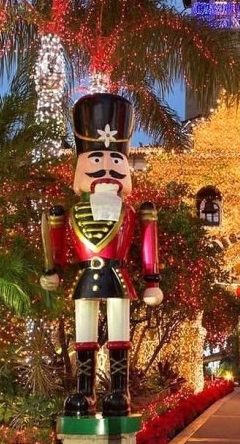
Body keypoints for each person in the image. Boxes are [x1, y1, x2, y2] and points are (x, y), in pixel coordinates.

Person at [40, 93, 163, 418]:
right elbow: (61, 243)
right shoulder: (70, 212)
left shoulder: (135, 212)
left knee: (119, 328)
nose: (106, 169)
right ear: (80, 167)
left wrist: (152, 279)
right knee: (84, 332)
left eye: (115, 163)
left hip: (118, 274)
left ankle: (119, 389)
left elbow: (147, 243)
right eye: (95, 161)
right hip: (85, 276)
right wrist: (52, 268)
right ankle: (84, 390)